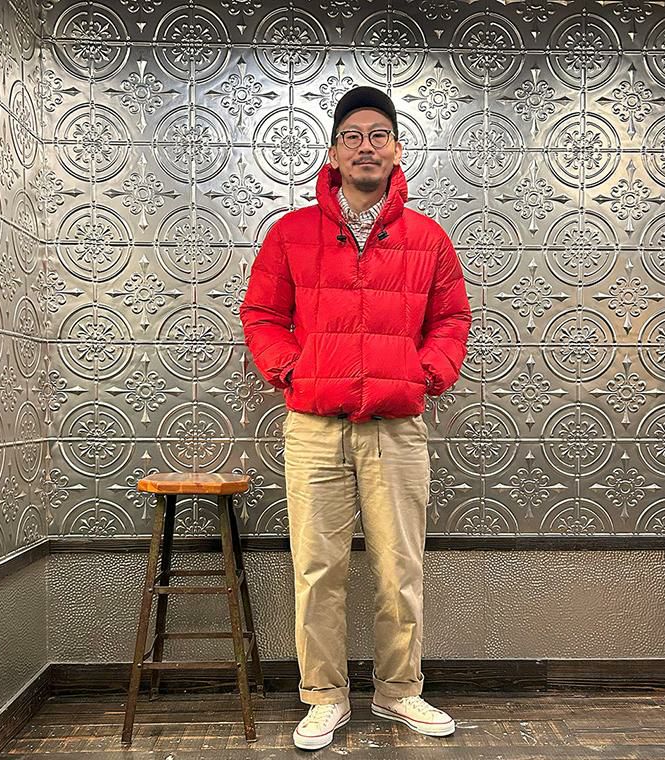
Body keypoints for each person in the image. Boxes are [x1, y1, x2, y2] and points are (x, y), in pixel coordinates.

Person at [239, 86, 471, 751]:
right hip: (315, 427)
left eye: (378, 135)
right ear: (334, 151)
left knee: (400, 570)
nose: (366, 146)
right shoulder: (291, 233)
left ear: (396, 149)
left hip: (396, 428)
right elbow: (261, 315)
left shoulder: (427, 238)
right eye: (353, 136)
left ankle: (399, 691)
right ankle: (324, 697)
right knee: (318, 571)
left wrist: (426, 373)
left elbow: (451, 319)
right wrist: (293, 370)